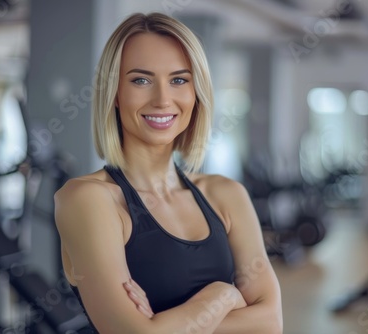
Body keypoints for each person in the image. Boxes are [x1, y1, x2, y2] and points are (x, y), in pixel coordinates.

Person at [54, 12, 283, 333]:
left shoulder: (226, 194)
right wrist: (223, 296)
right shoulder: (88, 199)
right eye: (141, 80)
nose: (163, 99)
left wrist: (162, 324)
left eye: (179, 80)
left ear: (196, 93)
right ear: (115, 93)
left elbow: (270, 323)